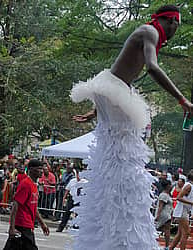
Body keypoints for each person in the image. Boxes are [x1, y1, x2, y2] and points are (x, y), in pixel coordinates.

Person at [71, 5, 190, 249]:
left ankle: (111, 216)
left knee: (115, 150)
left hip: (113, 89)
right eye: (177, 25)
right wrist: (182, 99)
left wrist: (96, 111)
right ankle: (122, 221)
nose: (176, 30)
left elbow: (118, 75)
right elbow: (152, 68)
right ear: (172, 22)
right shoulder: (150, 31)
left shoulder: (148, 33)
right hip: (114, 88)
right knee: (124, 152)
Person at [5, 159, 49, 250]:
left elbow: (33, 207)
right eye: (39, 168)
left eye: (42, 168)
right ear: (31, 169)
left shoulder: (34, 185)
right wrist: (12, 228)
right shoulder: (25, 184)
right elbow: (15, 206)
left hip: (28, 225)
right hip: (22, 225)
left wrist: (42, 223)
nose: (42, 171)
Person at [170, 170, 193, 250]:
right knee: (186, 233)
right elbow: (179, 197)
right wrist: (191, 203)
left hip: (184, 210)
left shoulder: (189, 185)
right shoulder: (188, 186)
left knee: (180, 233)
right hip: (182, 211)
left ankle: (170, 248)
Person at [155, 179, 173, 249]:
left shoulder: (167, 195)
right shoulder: (164, 195)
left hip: (167, 214)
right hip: (164, 215)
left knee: (166, 230)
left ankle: (167, 246)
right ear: (168, 186)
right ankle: (167, 246)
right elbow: (160, 206)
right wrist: (157, 216)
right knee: (166, 230)